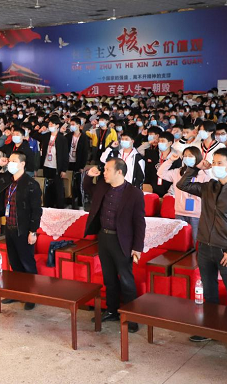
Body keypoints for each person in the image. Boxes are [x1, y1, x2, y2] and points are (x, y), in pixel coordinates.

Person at [177, 147, 227, 357]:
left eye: (220, 163)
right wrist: (196, 168)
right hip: (204, 247)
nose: (216, 166)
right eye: (214, 162)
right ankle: (209, 330)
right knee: (209, 293)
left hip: (225, 251)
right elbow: (182, 185)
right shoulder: (208, 186)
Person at [83, 158, 146, 332]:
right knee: (109, 278)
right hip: (104, 237)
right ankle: (112, 310)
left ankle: (131, 317)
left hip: (122, 241)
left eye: (107, 170)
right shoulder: (103, 186)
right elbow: (87, 188)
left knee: (126, 280)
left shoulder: (134, 193)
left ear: (119, 172)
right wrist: (89, 175)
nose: (104, 173)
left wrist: (137, 247)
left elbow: (139, 222)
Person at [0, 152, 42, 311]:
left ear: (22, 164)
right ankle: (17, 293)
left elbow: (36, 210)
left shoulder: (31, 184)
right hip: (9, 228)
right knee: (14, 263)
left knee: (27, 263)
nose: (10, 163)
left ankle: (32, 296)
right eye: (9, 160)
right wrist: (0, 164)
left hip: (23, 229)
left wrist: (33, 231)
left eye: (13, 161)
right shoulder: (7, 180)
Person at [157, 146, 209, 242]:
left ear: (197, 157)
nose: (187, 158)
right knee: (181, 241)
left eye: (190, 156)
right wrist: (170, 160)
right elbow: (160, 173)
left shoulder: (203, 174)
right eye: (185, 156)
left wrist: (206, 168)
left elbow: (213, 180)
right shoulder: (178, 172)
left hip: (196, 214)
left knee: (195, 241)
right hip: (179, 212)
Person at [31, 116, 68, 208]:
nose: (50, 126)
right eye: (49, 124)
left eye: (52, 124)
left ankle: (59, 207)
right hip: (46, 165)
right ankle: (48, 205)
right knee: (47, 187)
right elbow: (34, 136)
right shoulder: (46, 136)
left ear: (57, 125)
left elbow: (65, 155)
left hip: (57, 166)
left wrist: (64, 169)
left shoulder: (62, 138)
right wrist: (39, 130)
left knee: (58, 188)